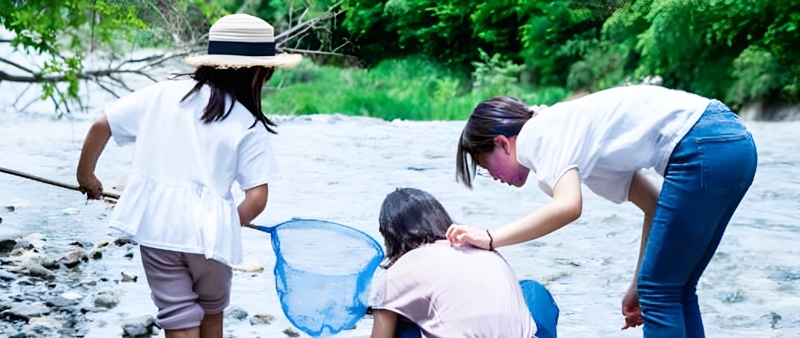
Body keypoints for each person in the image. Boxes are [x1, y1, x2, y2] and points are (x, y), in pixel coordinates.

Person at [447, 84, 758, 337]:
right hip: (732, 142)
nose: (496, 178)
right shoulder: (581, 142)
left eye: (486, 166)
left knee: (661, 294)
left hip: (703, 146)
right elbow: (655, 206)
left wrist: (491, 238)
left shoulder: (537, 134)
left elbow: (568, 206)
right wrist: (638, 283)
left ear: (502, 143)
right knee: (673, 289)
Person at [76, 14, 301, 338]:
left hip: (159, 231)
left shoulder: (162, 94)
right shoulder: (247, 122)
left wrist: (87, 176)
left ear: (210, 63)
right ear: (260, 72)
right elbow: (257, 197)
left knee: (178, 316)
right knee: (212, 315)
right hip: (211, 241)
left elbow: (101, 126)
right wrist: (227, 221)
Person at [370, 187, 558, 338]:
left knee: (402, 321)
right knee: (532, 290)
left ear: (391, 236)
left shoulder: (398, 272)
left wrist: (381, 305)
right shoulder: (483, 249)